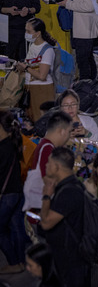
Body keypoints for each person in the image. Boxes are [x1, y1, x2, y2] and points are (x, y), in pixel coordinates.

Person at [38, 147, 90, 286]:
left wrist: (46, 196)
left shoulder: (69, 192)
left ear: (56, 167)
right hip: (68, 257)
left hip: (70, 260)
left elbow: (46, 223)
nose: (46, 166)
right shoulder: (73, 185)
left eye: (49, 163)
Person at [0, 110, 27, 275]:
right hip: (17, 192)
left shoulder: (2, 147)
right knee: (16, 227)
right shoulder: (13, 142)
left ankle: (14, 262)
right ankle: (21, 262)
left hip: (6, 196)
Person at [15, 18, 56, 121]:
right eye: (25, 30)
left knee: (41, 121)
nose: (26, 34)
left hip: (42, 90)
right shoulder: (32, 45)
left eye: (29, 31)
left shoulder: (47, 50)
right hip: (30, 88)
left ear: (38, 33)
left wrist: (26, 68)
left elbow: (42, 76)